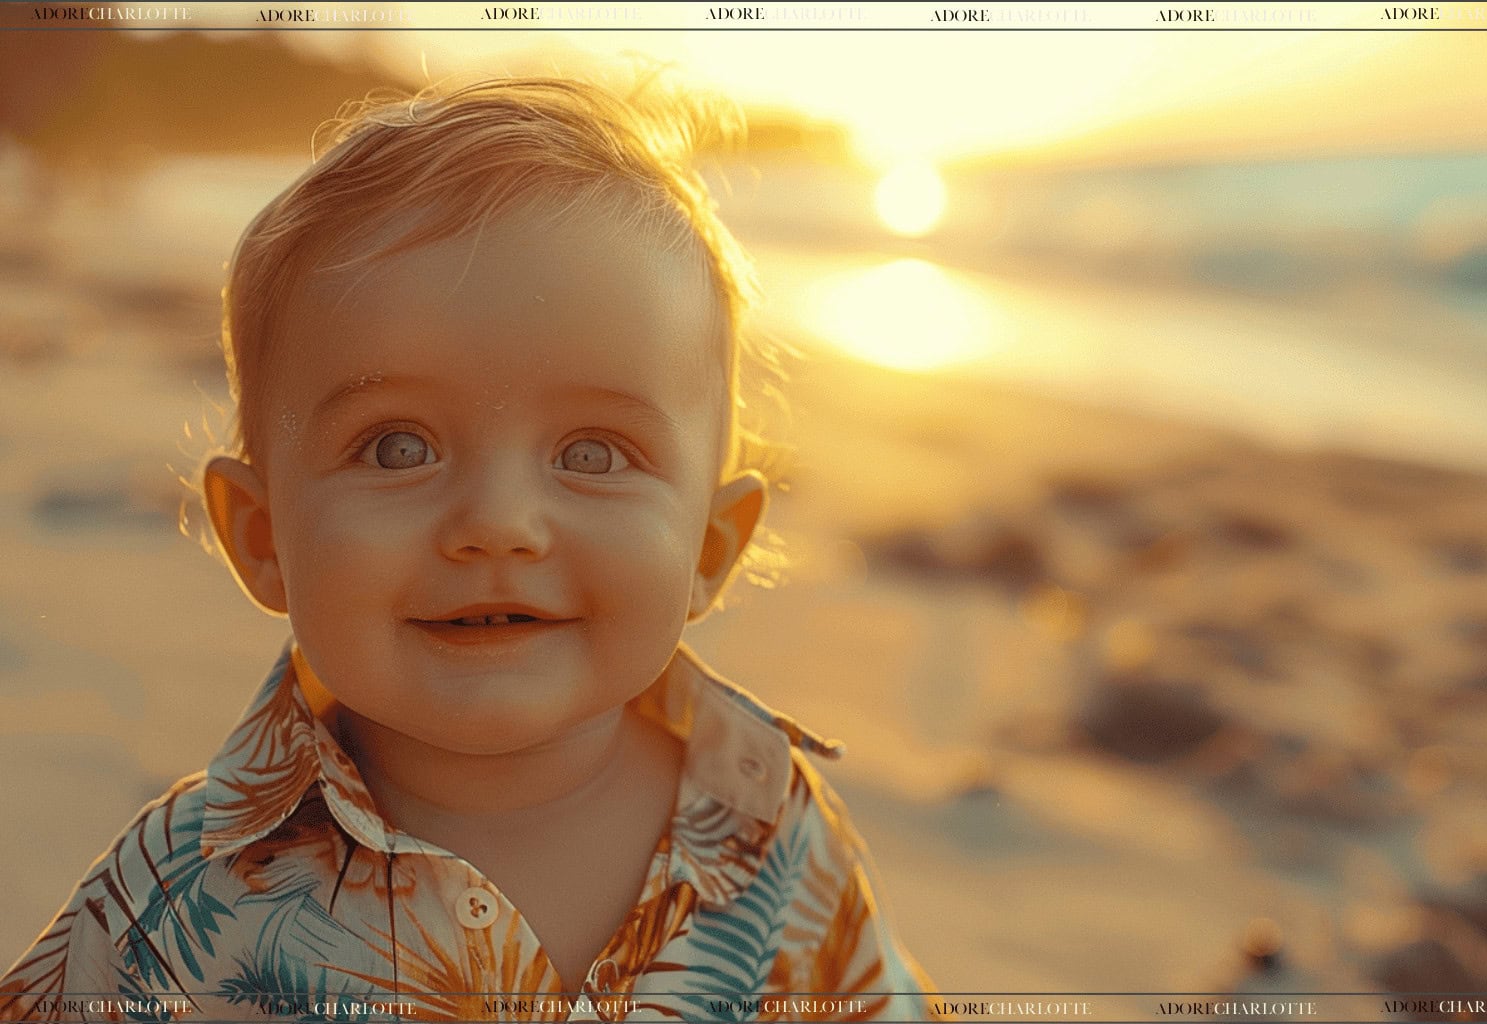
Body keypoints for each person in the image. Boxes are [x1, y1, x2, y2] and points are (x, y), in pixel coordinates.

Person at [0, 76, 934, 1023]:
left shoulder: (770, 832)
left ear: (709, 548)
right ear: (262, 534)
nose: (498, 521)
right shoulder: (171, 908)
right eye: (397, 447)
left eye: (592, 453)